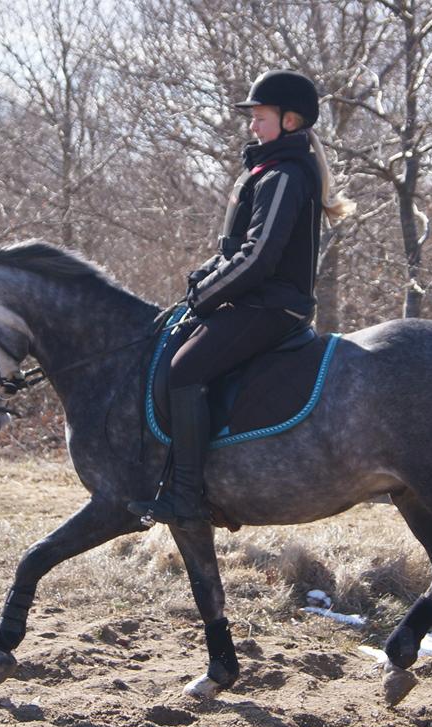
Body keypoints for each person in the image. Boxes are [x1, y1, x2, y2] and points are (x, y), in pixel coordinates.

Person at [128, 69, 355, 529]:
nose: (252, 125)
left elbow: (258, 258)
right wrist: (202, 282)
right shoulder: (265, 170)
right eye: (251, 117)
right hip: (251, 302)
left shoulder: (286, 175)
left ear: (290, 121)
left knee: (184, 368)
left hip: (271, 307)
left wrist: (206, 297)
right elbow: (231, 251)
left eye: (260, 116)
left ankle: (186, 496)